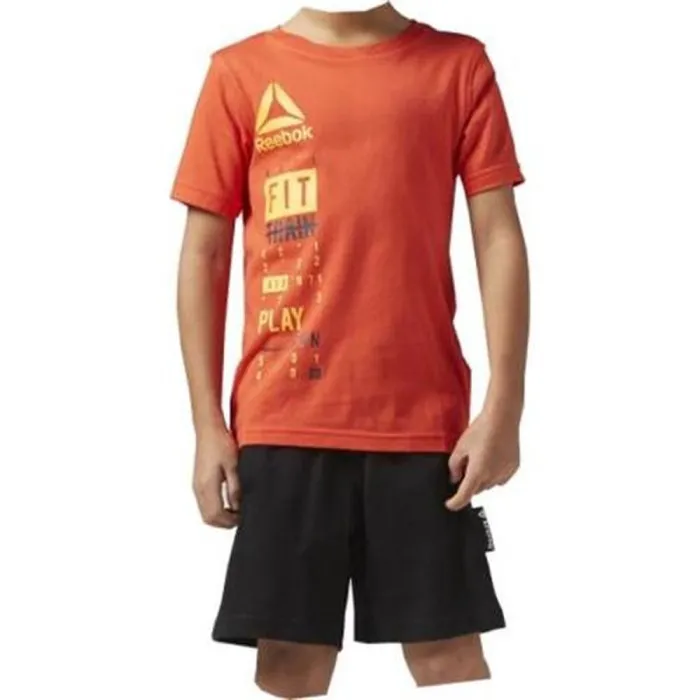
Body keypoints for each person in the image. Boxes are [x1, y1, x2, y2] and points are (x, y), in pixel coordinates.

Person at [171, 2, 529, 697]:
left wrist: (505, 406)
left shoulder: (458, 66)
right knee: (290, 665)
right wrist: (206, 424)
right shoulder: (240, 72)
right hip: (284, 416)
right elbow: (203, 255)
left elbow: (498, 236)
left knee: (448, 657)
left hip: (422, 420)